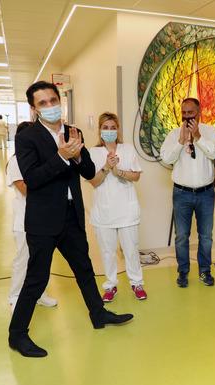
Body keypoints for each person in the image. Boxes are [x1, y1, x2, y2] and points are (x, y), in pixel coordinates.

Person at [8, 81, 133, 358]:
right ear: (34, 109)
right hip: (43, 220)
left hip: (70, 215)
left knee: (84, 269)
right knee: (37, 279)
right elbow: (32, 179)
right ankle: (17, 335)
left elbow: (88, 171)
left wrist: (76, 157)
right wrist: (61, 157)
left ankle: (98, 314)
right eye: (43, 103)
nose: (50, 106)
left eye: (53, 100)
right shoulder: (27, 137)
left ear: (60, 100)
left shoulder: (72, 132)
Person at [160, 98, 215, 288]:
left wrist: (198, 137)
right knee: (181, 236)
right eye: (184, 113)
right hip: (182, 194)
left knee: (206, 236)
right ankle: (183, 272)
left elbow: (214, 153)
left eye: (190, 113)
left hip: (206, 193)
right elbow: (166, 158)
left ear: (198, 112)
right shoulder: (173, 134)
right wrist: (180, 141)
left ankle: (205, 271)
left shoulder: (210, 131)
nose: (187, 117)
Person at [88, 112, 146, 302]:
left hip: (127, 210)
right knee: (108, 252)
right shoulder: (93, 152)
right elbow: (94, 182)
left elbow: (136, 176)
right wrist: (106, 166)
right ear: (100, 130)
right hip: (104, 212)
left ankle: (137, 283)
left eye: (113, 127)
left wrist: (118, 171)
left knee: (131, 249)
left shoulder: (127, 149)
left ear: (118, 130)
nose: (109, 131)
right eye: (105, 127)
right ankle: (110, 285)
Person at [6, 121, 57, 311]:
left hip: (43, 218)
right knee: (23, 259)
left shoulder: (39, 158)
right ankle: (15, 297)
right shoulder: (15, 161)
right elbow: (26, 189)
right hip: (24, 220)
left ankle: (39, 294)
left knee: (41, 260)